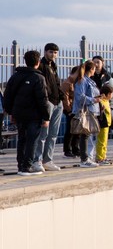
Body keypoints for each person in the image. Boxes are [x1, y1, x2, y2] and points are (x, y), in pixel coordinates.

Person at [4, 50, 50, 176]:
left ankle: (21, 166)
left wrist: (10, 111)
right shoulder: (38, 78)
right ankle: (27, 166)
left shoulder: (15, 76)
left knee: (22, 139)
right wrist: (46, 116)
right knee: (32, 140)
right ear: (38, 62)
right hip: (34, 115)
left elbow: (7, 95)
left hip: (18, 113)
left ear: (25, 61)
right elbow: (42, 99)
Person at [34, 43, 64, 172]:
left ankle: (48, 160)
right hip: (48, 102)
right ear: (45, 52)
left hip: (58, 103)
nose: (53, 54)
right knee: (43, 134)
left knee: (53, 134)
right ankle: (37, 160)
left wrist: (62, 97)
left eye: (55, 52)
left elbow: (57, 83)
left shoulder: (53, 66)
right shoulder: (41, 65)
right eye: (51, 52)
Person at [74, 60, 101, 168]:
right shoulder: (83, 81)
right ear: (91, 69)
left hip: (91, 110)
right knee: (85, 135)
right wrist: (93, 100)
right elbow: (81, 97)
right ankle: (84, 159)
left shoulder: (88, 81)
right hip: (86, 110)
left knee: (87, 134)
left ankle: (87, 157)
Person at [95, 85, 113, 165]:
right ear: (108, 94)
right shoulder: (102, 101)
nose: (112, 96)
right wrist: (100, 96)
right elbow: (96, 98)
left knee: (105, 142)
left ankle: (103, 156)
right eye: (111, 94)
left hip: (107, 124)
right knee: (101, 141)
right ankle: (99, 158)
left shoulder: (107, 101)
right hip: (103, 124)